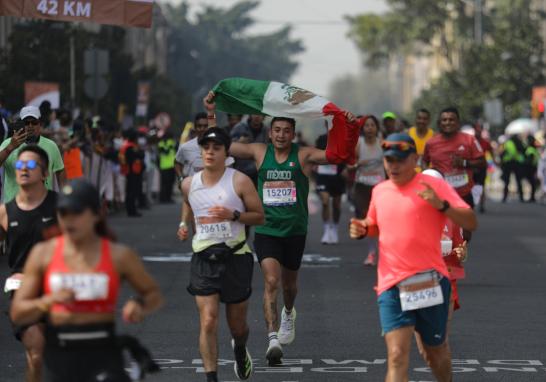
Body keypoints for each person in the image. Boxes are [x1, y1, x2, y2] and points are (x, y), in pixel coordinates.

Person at [203, 92, 357, 365]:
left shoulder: (305, 155)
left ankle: (288, 312)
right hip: (267, 229)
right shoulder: (259, 151)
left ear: (293, 134)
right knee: (271, 282)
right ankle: (272, 339)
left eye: (287, 131)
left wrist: (344, 126)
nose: (281, 135)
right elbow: (222, 143)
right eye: (277, 130)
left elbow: (337, 155)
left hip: (295, 230)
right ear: (270, 133)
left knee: (289, 286)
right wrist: (211, 113)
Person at [350, 133, 477, 382]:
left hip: (429, 280)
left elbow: (470, 221)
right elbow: (375, 224)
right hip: (391, 284)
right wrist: (363, 227)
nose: (393, 166)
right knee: (397, 355)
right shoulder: (380, 191)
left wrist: (442, 206)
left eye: (399, 160)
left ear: (415, 159)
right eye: (388, 160)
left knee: (435, 355)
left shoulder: (434, 186)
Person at [10, 179, 164, 382]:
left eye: (77, 212)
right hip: (59, 353)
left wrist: (138, 304)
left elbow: (153, 294)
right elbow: (18, 312)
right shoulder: (43, 254)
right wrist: (48, 301)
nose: (69, 220)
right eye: (63, 213)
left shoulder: (119, 255)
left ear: (96, 214)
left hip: (102, 351)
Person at [177, 127, 264, 382]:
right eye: (206, 148)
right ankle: (211, 378)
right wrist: (183, 224)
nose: (210, 153)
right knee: (208, 321)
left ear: (226, 153)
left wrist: (234, 215)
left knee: (237, 327)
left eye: (216, 148)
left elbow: (259, 216)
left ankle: (239, 349)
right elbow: (187, 202)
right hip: (204, 258)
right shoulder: (189, 183)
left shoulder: (239, 181)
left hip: (236, 257)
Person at [1, 145, 59, 382]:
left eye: (31, 165)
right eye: (20, 164)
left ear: (45, 173)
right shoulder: (5, 213)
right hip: (23, 291)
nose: (24, 168)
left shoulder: (63, 208)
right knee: (35, 354)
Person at [423, 107, 486, 208]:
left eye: (451, 120)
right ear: (439, 123)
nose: (448, 122)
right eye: (444, 120)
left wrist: (465, 163)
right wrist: (429, 175)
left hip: (464, 195)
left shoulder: (469, 140)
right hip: (440, 196)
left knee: (464, 223)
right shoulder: (431, 143)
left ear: (458, 122)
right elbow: (424, 161)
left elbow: (482, 162)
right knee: (442, 224)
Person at [0, 106, 65, 202]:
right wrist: (10, 147)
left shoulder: (51, 146)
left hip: (43, 207)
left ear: (40, 124)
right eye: (26, 123)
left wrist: (65, 200)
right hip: (14, 208)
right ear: (20, 124)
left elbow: (61, 175)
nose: (30, 126)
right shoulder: (8, 144)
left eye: (34, 122)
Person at [352, 115, 385, 266]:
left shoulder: (382, 143)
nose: (370, 128)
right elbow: (350, 163)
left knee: (381, 221)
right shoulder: (358, 144)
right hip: (362, 186)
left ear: (377, 128)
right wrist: (358, 163)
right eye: (367, 126)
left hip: (379, 187)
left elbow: (390, 163)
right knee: (368, 220)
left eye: (372, 125)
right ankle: (371, 253)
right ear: (363, 129)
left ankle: (382, 252)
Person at [314, 127, 345, 244]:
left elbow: (347, 156)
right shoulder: (321, 139)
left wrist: (346, 169)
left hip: (337, 176)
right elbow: (314, 155)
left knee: (336, 205)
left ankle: (335, 229)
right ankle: (326, 230)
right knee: (325, 201)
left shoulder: (342, 139)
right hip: (323, 176)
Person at [230, 114, 269, 185]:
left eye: (260, 115)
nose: (257, 116)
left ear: (264, 117)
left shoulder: (266, 130)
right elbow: (228, 148)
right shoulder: (239, 127)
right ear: (250, 115)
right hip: (241, 171)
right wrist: (239, 143)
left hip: (259, 173)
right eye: (254, 113)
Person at [174, 112, 209, 187]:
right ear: (195, 128)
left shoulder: (216, 148)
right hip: (191, 190)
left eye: (205, 126)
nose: (202, 129)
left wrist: (211, 112)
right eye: (199, 126)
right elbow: (177, 162)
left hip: (211, 190)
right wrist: (180, 178)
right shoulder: (185, 147)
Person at [119, 129, 145, 217]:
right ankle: (131, 210)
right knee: (131, 192)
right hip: (132, 171)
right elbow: (140, 155)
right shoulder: (131, 147)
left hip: (130, 171)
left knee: (130, 191)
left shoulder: (127, 145)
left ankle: (131, 209)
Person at [472, 123, 493, 212]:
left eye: (480, 129)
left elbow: (491, 151)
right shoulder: (470, 141)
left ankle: (481, 204)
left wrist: (491, 162)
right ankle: (471, 204)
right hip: (472, 166)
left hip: (482, 167)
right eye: (477, 129)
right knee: (471, 186)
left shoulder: (485, 142)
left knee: (481, 186)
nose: (478, 131)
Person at [499, 134, 525, 202]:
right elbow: (523, 151)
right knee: (518, 181)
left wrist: (502, 162)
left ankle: (504, 197)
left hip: (508, 163)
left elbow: (502, 153)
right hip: (516, 163)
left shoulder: (507, 143)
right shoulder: (519, 143)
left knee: (507, 181)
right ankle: (521, 197)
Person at [158, 130, 177, 203]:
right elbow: (165, 152)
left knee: (169, 183)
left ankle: (168, 198)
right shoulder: (161, 144)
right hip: (165, 166)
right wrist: (170, 145)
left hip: (171, 166)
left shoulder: (172, 143)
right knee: (165, 183)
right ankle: (163, 198)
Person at [523, 135, 540, 203]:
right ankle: (532, 197)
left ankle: (532, 197)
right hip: (534, 167)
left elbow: (529, 160)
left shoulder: (530, 149)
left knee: (532, 183)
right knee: (532, 183)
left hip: (530, 168)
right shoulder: (533, 148)